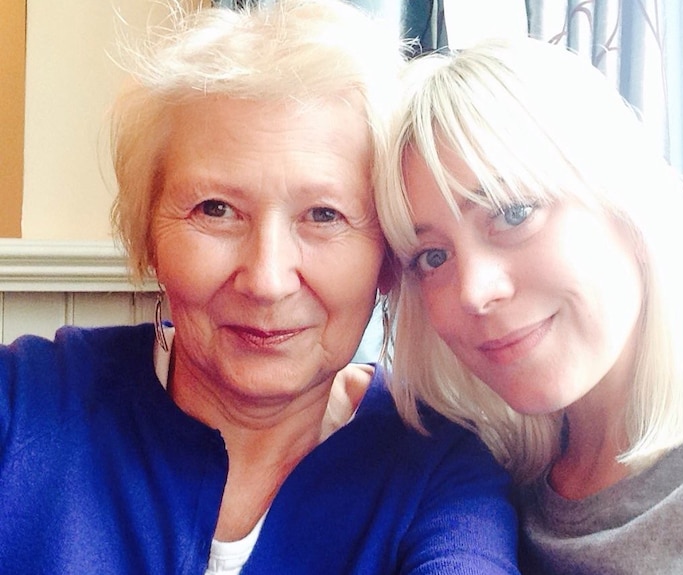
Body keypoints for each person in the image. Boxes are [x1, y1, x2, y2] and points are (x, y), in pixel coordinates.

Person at [0, 2, 520, 573]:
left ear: (389, 259)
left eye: (324, 215)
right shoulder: (25, 403)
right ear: (148, 237)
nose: (267, 281)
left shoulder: (441, 476)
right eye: (216, 209)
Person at [376, 37, 683, 573]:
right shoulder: (483, 481)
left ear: (624, 205)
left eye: (514, 213)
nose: (473, 290)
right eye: (432, 255)